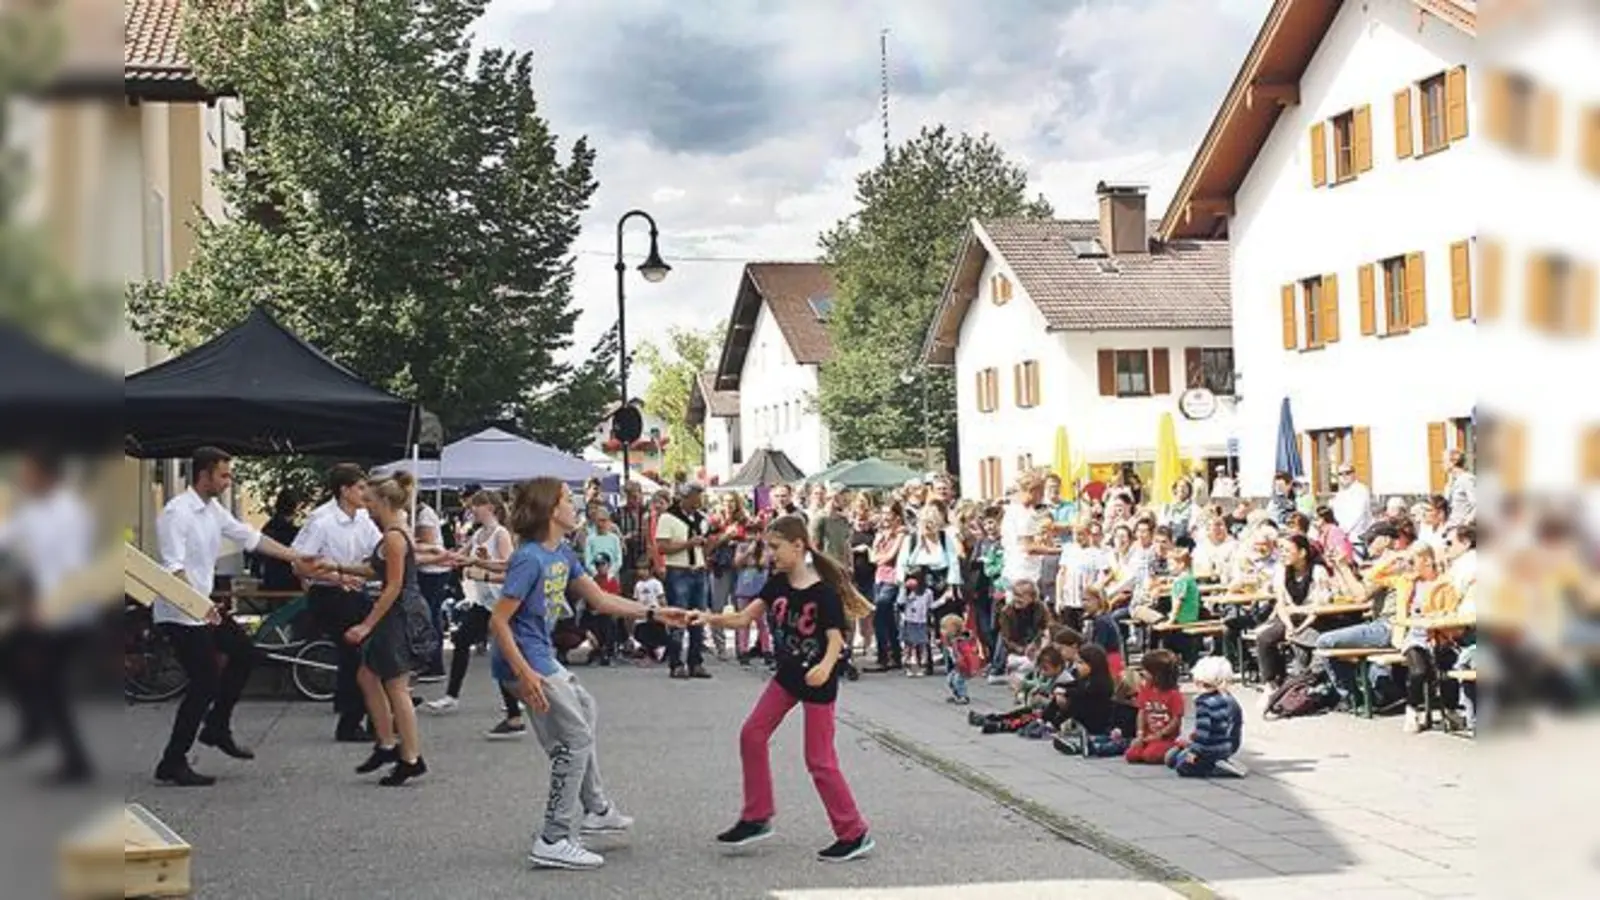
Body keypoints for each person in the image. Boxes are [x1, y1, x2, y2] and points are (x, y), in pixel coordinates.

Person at [487, 478, 691, 870]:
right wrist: (524, 674)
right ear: (551, 510)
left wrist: (654, 612)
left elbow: (599, 599)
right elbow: (499, 622)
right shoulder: (529, 558)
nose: (574, 505)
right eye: (567, 500)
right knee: (574, 740)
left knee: (585, 709)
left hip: (541, 656)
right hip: (527, 659)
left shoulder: (560, 552)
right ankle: (554, 837)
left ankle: (596, 810)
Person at [691, 515, 876, 863]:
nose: (770, 554)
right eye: (767, 547)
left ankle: (854, 832)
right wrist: (708, 618)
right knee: (752, 734)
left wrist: (825, 666)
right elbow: (745, 618)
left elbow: (836, 640)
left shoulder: (823, 593)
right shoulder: (776, 584)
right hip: (787, 677)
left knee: (819, 759)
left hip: (817, 683)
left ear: (799, 546)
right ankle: (756, 816)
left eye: (775, 547)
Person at [153, 447, 310, 786]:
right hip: (179, 612)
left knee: (245, 653)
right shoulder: (176, 513)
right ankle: (173, 761)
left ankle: (216, 727)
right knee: (205, 681)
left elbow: (250, 537)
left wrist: (296, 557)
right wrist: (198, 605)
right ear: (204, 475)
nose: (229, 481)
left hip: (203, 608)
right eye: (224, 475)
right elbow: (172, 568)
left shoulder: (213, 511)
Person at [312, 472, 435, 786]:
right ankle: (387, 744)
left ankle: (410, 757)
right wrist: (337, 567)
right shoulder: (392, 533)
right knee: (367, 676)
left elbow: (392, 585)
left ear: (384, 502)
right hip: (397, 611)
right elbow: (373, 569)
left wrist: (367, 625)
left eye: (370, 500)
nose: (366, 506)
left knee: (396, 687)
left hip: (398, 613)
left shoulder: (394, 537)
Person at [421, 491, 525, 740]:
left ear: (489, 507)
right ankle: (452, 696)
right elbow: (459, 556)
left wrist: (482, 573)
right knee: (463, 639)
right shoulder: (479, 534)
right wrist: (437, 555)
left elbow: (510, 569)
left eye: (476, 506)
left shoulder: (500, 534)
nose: (472, 511)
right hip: (484, 601)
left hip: (501, 602)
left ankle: (516, 709)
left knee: (503, 654)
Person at [292, 463, 384, 742]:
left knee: (369, 650)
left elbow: (380, 550)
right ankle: (350, 721)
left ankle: (369, 714)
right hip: (330, 595)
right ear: (344, 491)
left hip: (354, 591)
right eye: (360, 487)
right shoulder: (322, 521)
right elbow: (300, 563)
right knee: (356, 654)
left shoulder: (363, 518)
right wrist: (336, 576)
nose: (365, 492)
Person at [655, 483, 713, 680]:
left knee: (698, 617)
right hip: (679, 571)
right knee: (678, 617)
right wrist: (688, 543)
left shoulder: (701, 519)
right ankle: (676, 663)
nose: (700, 501)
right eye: (697, 496)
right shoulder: (668, 517)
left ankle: (695, 661)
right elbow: (662, 547)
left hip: (699, 570)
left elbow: (704, 545)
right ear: (686, 497)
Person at [1165, 656, 1245, 778]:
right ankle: (1221, 761)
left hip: (1210, 748)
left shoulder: (1204, 703)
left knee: (1180, 765)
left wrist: (1194, 751)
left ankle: (1215, 768)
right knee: (1176, 756)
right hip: (1228, 746)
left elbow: (1204, 732)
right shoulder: (1229, 699)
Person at [1050, 644, 1117, 756]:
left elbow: (1084, 693)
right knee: (1064, 695)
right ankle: (1050, 722)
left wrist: (1065, 692)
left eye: (1081, 663)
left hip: (1097, 720)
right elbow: (1072, 686)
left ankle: (1065, 732)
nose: (1077, 666)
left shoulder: (1101, 682)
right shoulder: (1084, 679)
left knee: (1076, 700)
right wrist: (1059, 689)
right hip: (1084, 718)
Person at [1124, 649, 1184, 764]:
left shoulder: (1174, 695)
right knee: (1131, 755)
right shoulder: (1146, 690)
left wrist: (1159, 735)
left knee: (1151, 755)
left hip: (1165, 738)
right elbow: (1142, 712)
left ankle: (1176, 748)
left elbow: (1176, 720)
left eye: (1146, 670)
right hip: (1148, 736)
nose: (1143, 673)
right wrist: (1140, 733)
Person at [940, 614, 982, 705]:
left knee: (958, 680)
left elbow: (967, 654)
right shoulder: (949, 640)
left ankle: (963, 695)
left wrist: (967, 666)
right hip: (956, 666)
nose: (941, 631)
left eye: (944, 628)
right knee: (950, 679)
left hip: (963, 665)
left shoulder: (961, 642)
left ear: (952, 630)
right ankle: (957, 694)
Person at [899, 570, 934, 677]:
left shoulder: (927, 592)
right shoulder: (907, 592)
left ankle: (919, 666)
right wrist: (904, 589)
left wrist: (943, 599)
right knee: (908, 645)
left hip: (922, 622)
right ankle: (907, 666)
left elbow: (930, 606)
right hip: (909, 621)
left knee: (920, 645)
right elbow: (900, 602)